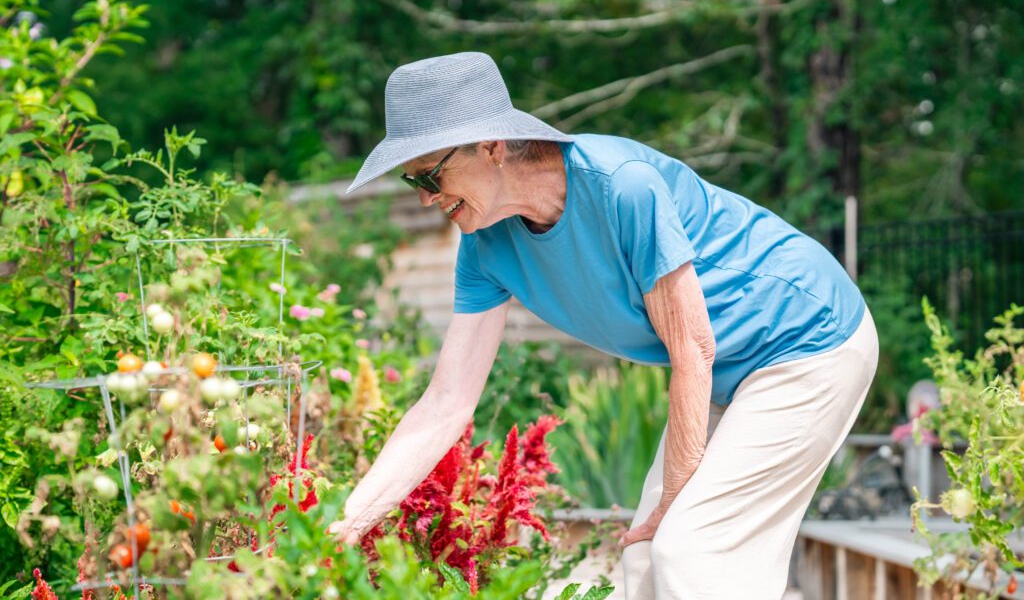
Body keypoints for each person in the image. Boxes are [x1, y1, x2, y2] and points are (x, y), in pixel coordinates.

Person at [329, 51, 878, 599]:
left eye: (432, 173)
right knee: (644, 563)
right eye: (412, 181)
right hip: (727, 371)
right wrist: (350, 523)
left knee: (692, 552)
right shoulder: (485, 248)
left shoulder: (622, 186)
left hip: (807, 340)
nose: (426, 196)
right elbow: (446, 401)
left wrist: (673, 503)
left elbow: (693, 349)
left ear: (492, 146)